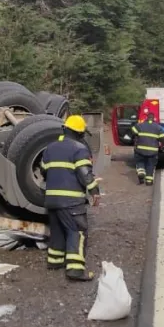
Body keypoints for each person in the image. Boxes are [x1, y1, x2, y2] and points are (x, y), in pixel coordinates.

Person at [40, 115, 102, 281]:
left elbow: (43, 171)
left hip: (51, 200)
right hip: (72, 202)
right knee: (77, 231)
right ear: (80, 133)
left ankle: (55, 262)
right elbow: (84, 174)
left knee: (58, 230)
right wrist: (95, 191)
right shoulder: (79, 149)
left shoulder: (50, 148)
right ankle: (75, 271)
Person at [131, 112, 164, 186]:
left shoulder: (140, 125)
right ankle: (149, 181)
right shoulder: (158, 127)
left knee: (140, 162)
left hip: (140, 150)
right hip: (152, 151)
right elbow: (163, 139)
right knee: (150, 165)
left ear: (146, 118)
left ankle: (141, 173)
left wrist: (136, 136)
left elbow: (133, 131)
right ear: (153, 119)